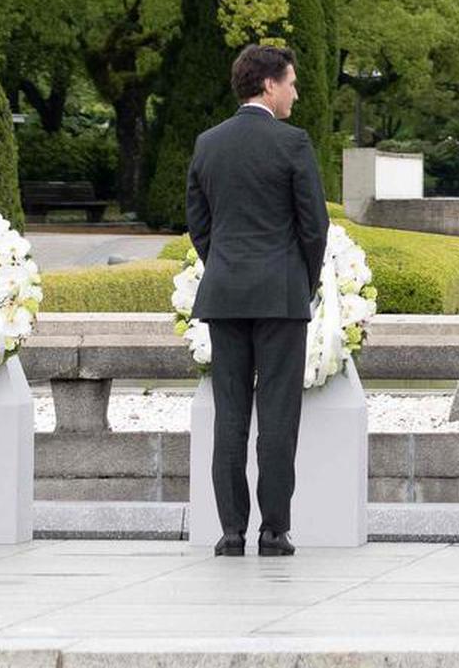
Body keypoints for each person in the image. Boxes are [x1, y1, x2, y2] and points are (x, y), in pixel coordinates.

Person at [186, 44, 330, 557]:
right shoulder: (292, 143)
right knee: (277, 414)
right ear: (269, 85)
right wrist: (302, 279)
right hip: (281, 294)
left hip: (224, 294)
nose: (295, 92)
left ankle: (230, 531)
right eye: (291, 82)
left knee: (230, 413)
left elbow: (199, 224)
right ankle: (273, 530)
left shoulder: (208, 143)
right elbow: (314, 225)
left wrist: (223, 265)